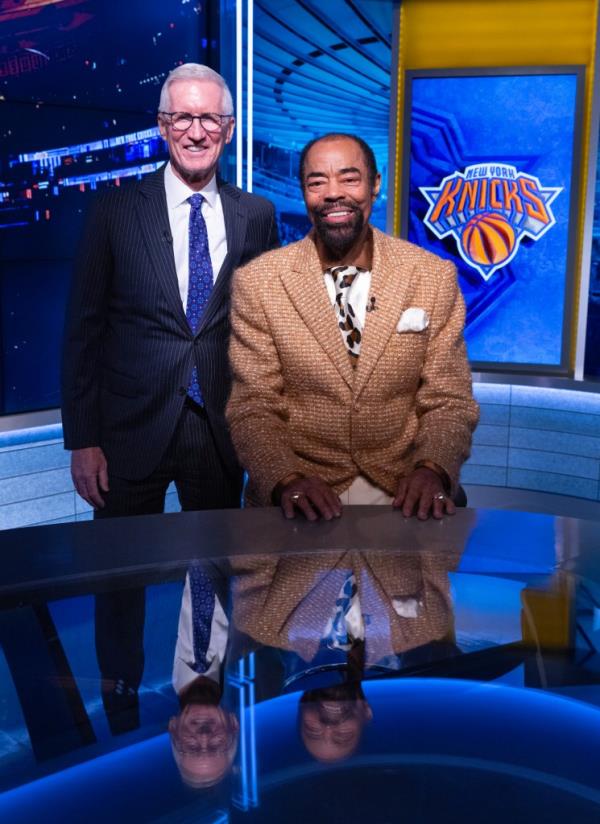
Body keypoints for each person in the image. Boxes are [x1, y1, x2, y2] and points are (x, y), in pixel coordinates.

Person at [61, 63, 279, 713]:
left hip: (218, 428)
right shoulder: (113, 212)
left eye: (209, 117)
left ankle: (200, 684)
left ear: (229, 130)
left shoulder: (257, 216)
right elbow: (83, 330)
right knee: (120, 577)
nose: (195, 130)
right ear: (162, 127)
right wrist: (84, 440)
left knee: (210, 566)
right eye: (182, 117)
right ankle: (120, 694)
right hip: (128, 429)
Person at [227, 133, 478, 520]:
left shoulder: (431, 276)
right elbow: (254, 406)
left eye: (349, 178)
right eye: (317, 182)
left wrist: (432, 469)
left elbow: (449, 400)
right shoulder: (259, 282)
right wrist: (285, 478)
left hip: (402, 492)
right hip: (300, 495)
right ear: (304, 193)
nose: (333, 193)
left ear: (375, 185)